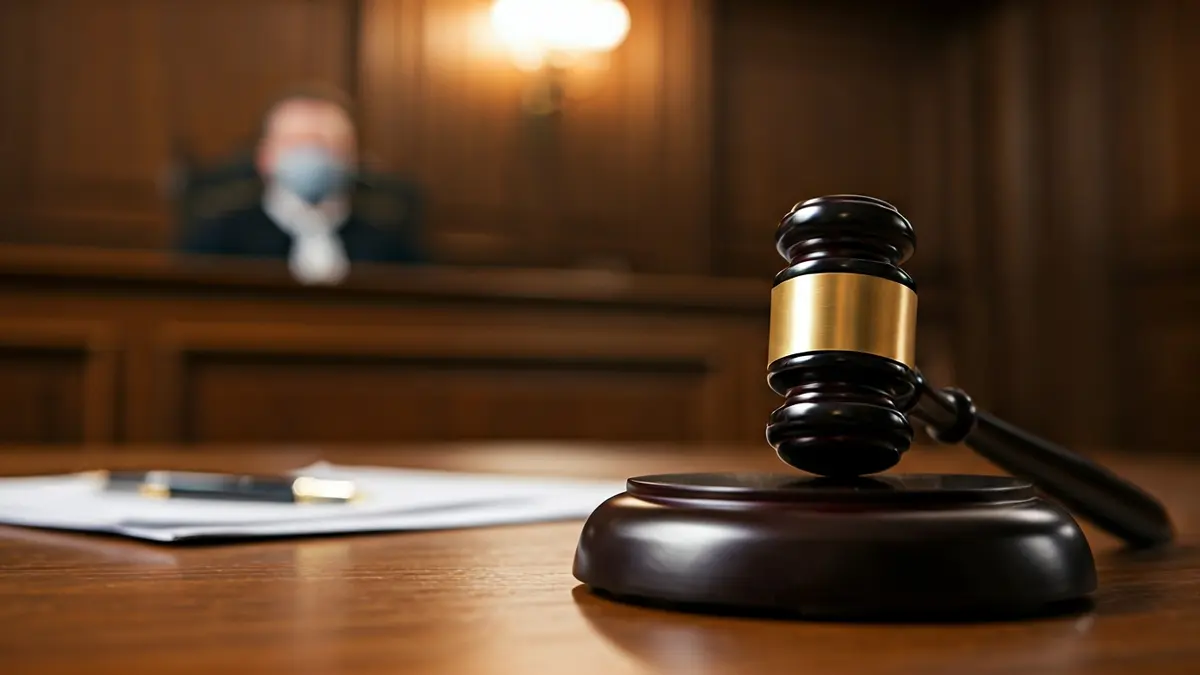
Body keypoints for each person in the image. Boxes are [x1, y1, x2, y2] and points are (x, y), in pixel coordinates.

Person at [181, 86, 422, 284]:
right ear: (265, 156)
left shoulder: (391, 245)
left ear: (354, 157)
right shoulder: (218, 242)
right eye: (296, 141)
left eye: (326, 143)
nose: (311, 153)